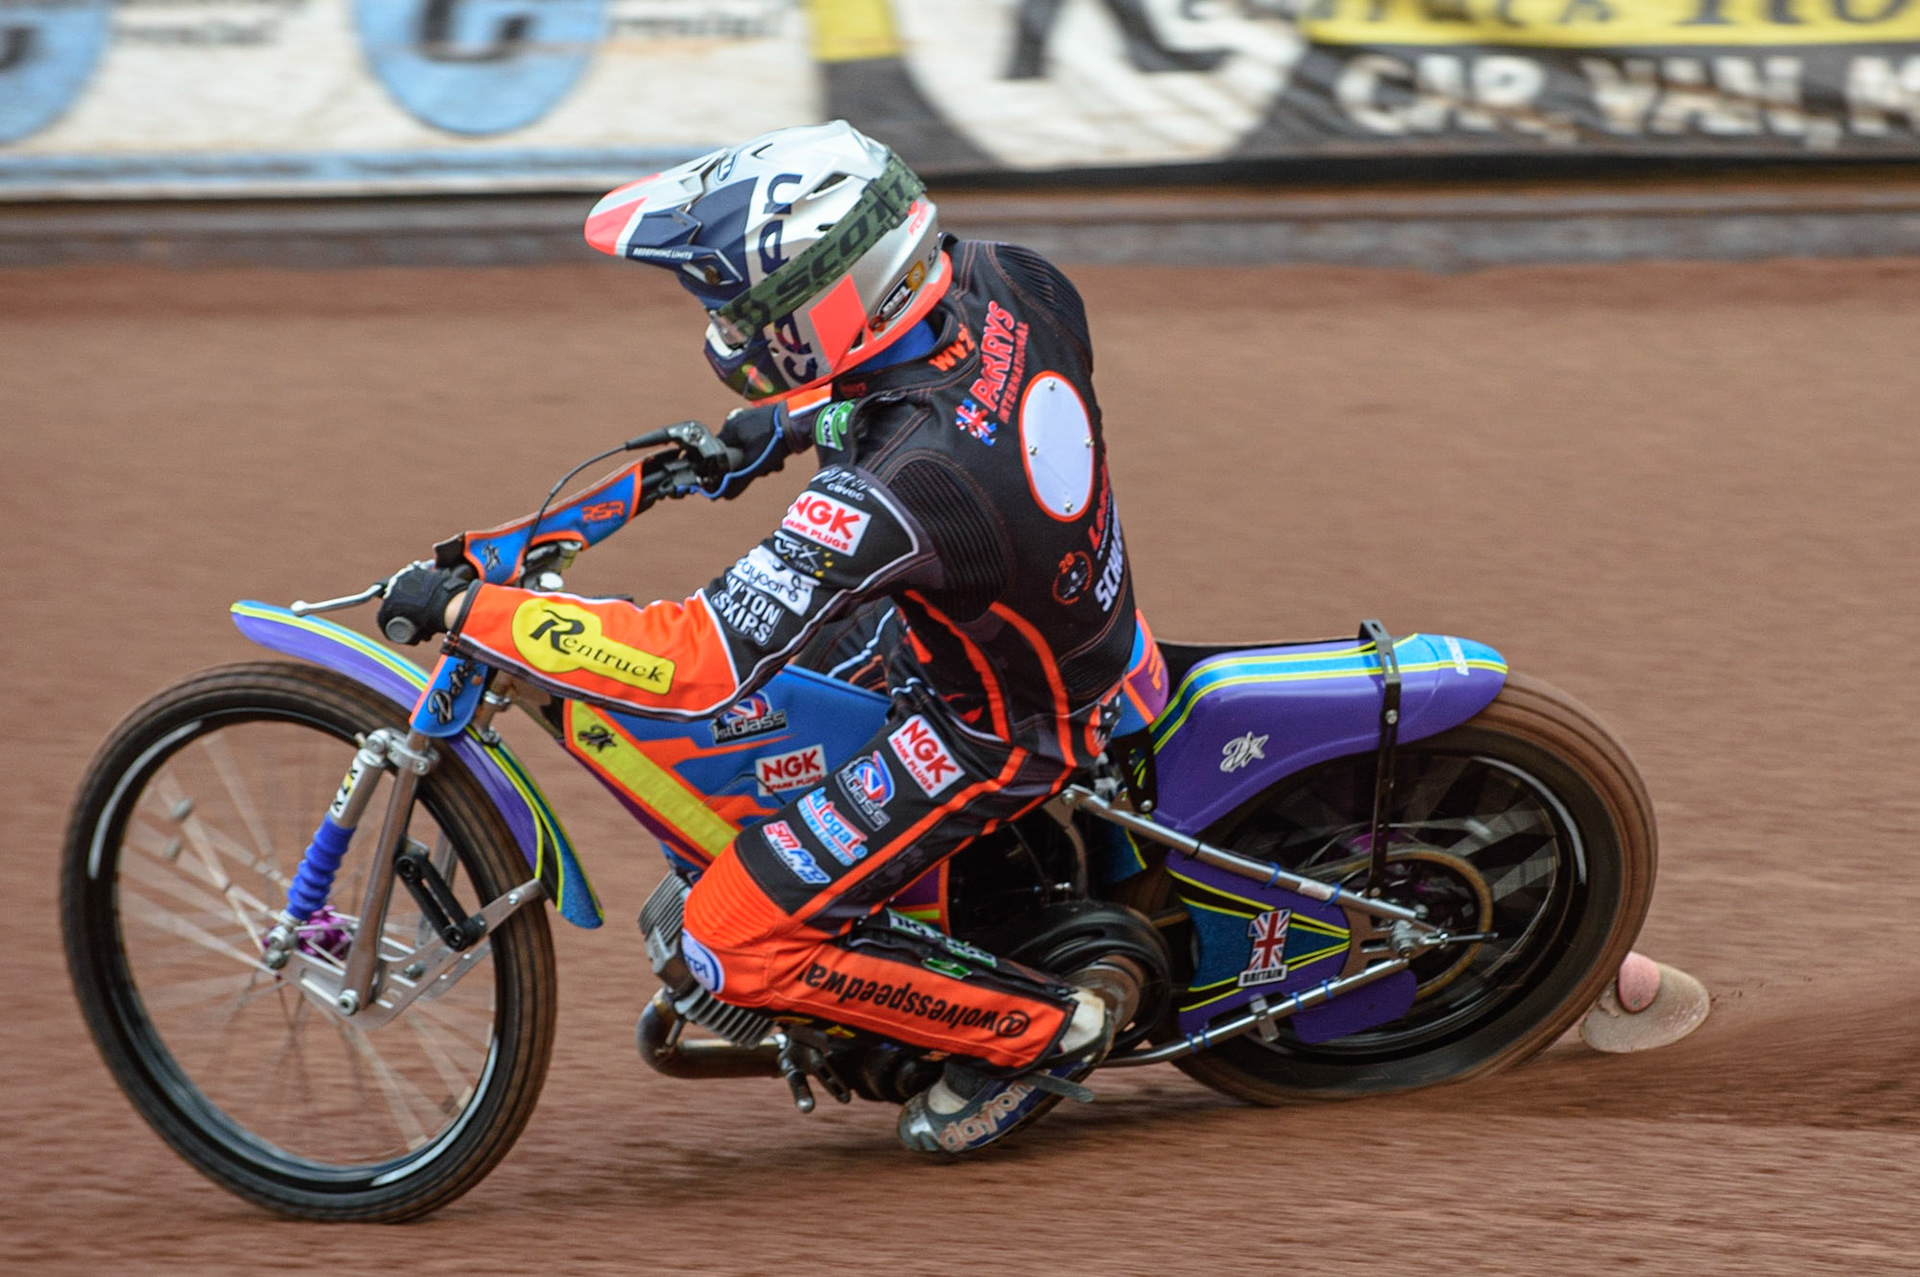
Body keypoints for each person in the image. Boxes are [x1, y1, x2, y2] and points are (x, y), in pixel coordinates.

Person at [375, 121, 1157, 1154]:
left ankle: (1045, 1031)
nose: (730, 326)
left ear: (833, 297)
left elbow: (694, 658)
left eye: (746, 306)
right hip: (1043, 618)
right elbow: (937, 386)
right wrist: (798, 424)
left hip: (997, 729)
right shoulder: (1015, 278)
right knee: (765, 737)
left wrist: (470, 612)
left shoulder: (893, 491)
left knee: (727, 940)